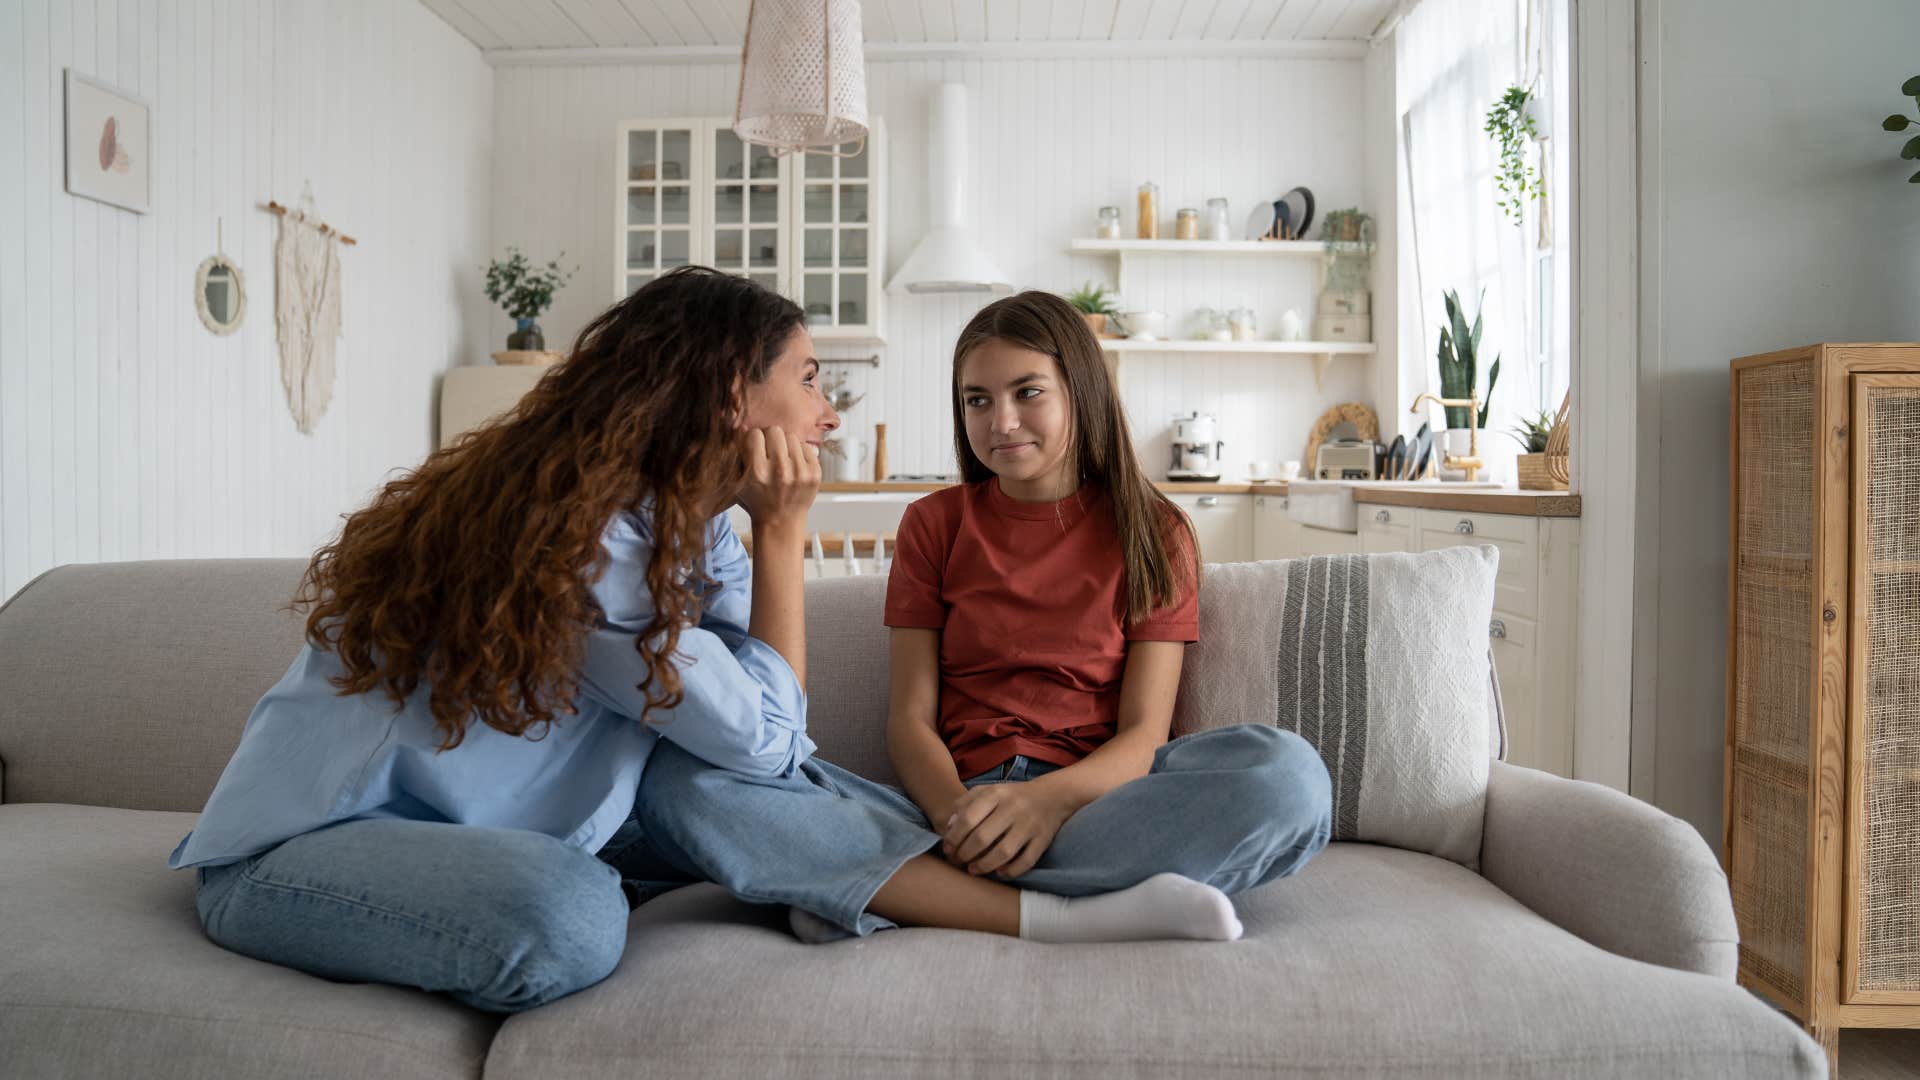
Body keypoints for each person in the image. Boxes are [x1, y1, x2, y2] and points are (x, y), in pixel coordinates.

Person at [170, 266, 843, 1011]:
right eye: (809, 380)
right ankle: (818, 881)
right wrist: (782, 531)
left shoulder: (685, 520)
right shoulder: (586, 546)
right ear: (729, 394)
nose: (830, 414)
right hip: (301, 857)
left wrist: (741, 524)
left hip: (490, 833)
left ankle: (903, 879)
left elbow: (766, 739)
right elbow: (766, 737)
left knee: (726, 796)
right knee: (571, 917)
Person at [634, 291, 1332, 945]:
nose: (999, 422)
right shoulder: (934, 524)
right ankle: (1030, 907)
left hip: (1090, 808)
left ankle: (890, 890)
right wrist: (955, 817)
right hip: (941, 811)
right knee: (684, 785)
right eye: (977, 400)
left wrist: (1044, 805)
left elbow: (1144, 734)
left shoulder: (1156, 530)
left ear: (1080, 393)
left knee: (1287, 776)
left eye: (1027, 392)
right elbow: (910, 721)